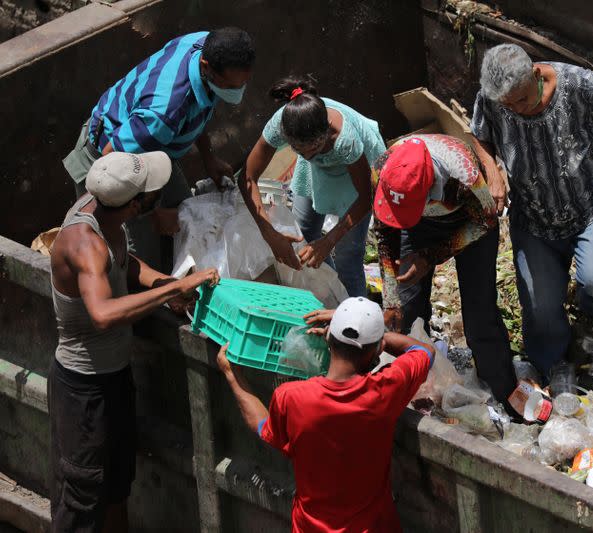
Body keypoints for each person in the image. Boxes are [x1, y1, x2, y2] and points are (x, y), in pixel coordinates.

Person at [49, 151, 220, 532]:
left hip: (115, 376)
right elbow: (104, 313)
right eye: (149, 194)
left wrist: (166, 284)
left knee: (116, 487)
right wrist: (172, 290)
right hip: (84, 389)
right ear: (134, 205)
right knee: (82, 495)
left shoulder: (106, 209)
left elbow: (125, 263)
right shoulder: (85, 244)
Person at [470, 43, 593, 388]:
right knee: (541, 309)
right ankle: (552, 360)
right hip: (534, 219)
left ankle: (592, 303)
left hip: (589, 207)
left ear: (535, 74)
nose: (516, 110)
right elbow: (479, 133)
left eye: (521, 100)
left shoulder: (576, 84)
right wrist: (491, 168)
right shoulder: (494, 97)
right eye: (508, 105)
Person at [218, 297, 433, 532]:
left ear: (329, 336)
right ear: (378, 349)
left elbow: (262, 426)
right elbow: (424, 350)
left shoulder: (291, 397)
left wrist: (231, 375)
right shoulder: (385, 390)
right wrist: (379, 338)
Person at [63, 27, 255, 271]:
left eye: (243, 83)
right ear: (205, 67)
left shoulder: (206, 44)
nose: (236, 91)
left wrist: (209, 158)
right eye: (228, 86)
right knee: (137, 262)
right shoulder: (163, 114)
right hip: (114, 166)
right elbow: (111, 163)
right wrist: (152, 215)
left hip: (153, 151)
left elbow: (199, 107)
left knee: (190, 220)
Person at [372, 135, 517, 411]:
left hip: (470, 223)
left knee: (479, 315)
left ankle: (502, 397)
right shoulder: (382, 170)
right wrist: (390, 297)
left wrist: (429, 257)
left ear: (431, 187)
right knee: (405, 310)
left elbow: (485, 222)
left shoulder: (464, 176)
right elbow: (384, 230)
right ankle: (416, 393)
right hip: (417, 225)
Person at [240, 76, 386, 296]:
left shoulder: (345, 139)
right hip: (320, 166)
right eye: (299, 150)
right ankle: (330, 295)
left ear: (327, 132)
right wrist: (270, 234)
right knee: (305, 233)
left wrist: (329, 240)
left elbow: (365, 197)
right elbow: (248, 177)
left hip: (357, 168)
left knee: (348, 256)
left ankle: (356, 317)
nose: (307, 155)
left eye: (313, 148)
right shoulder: (282, 125)